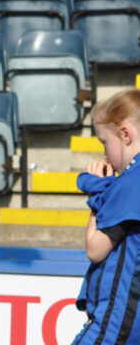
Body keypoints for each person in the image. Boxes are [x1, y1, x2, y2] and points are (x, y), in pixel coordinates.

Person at [72, 88, 140, 344]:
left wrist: (98, 193)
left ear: (125, 134)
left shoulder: (130, 183)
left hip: (117, 323)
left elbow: (95, 249)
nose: (105, 154)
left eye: (104, 142)